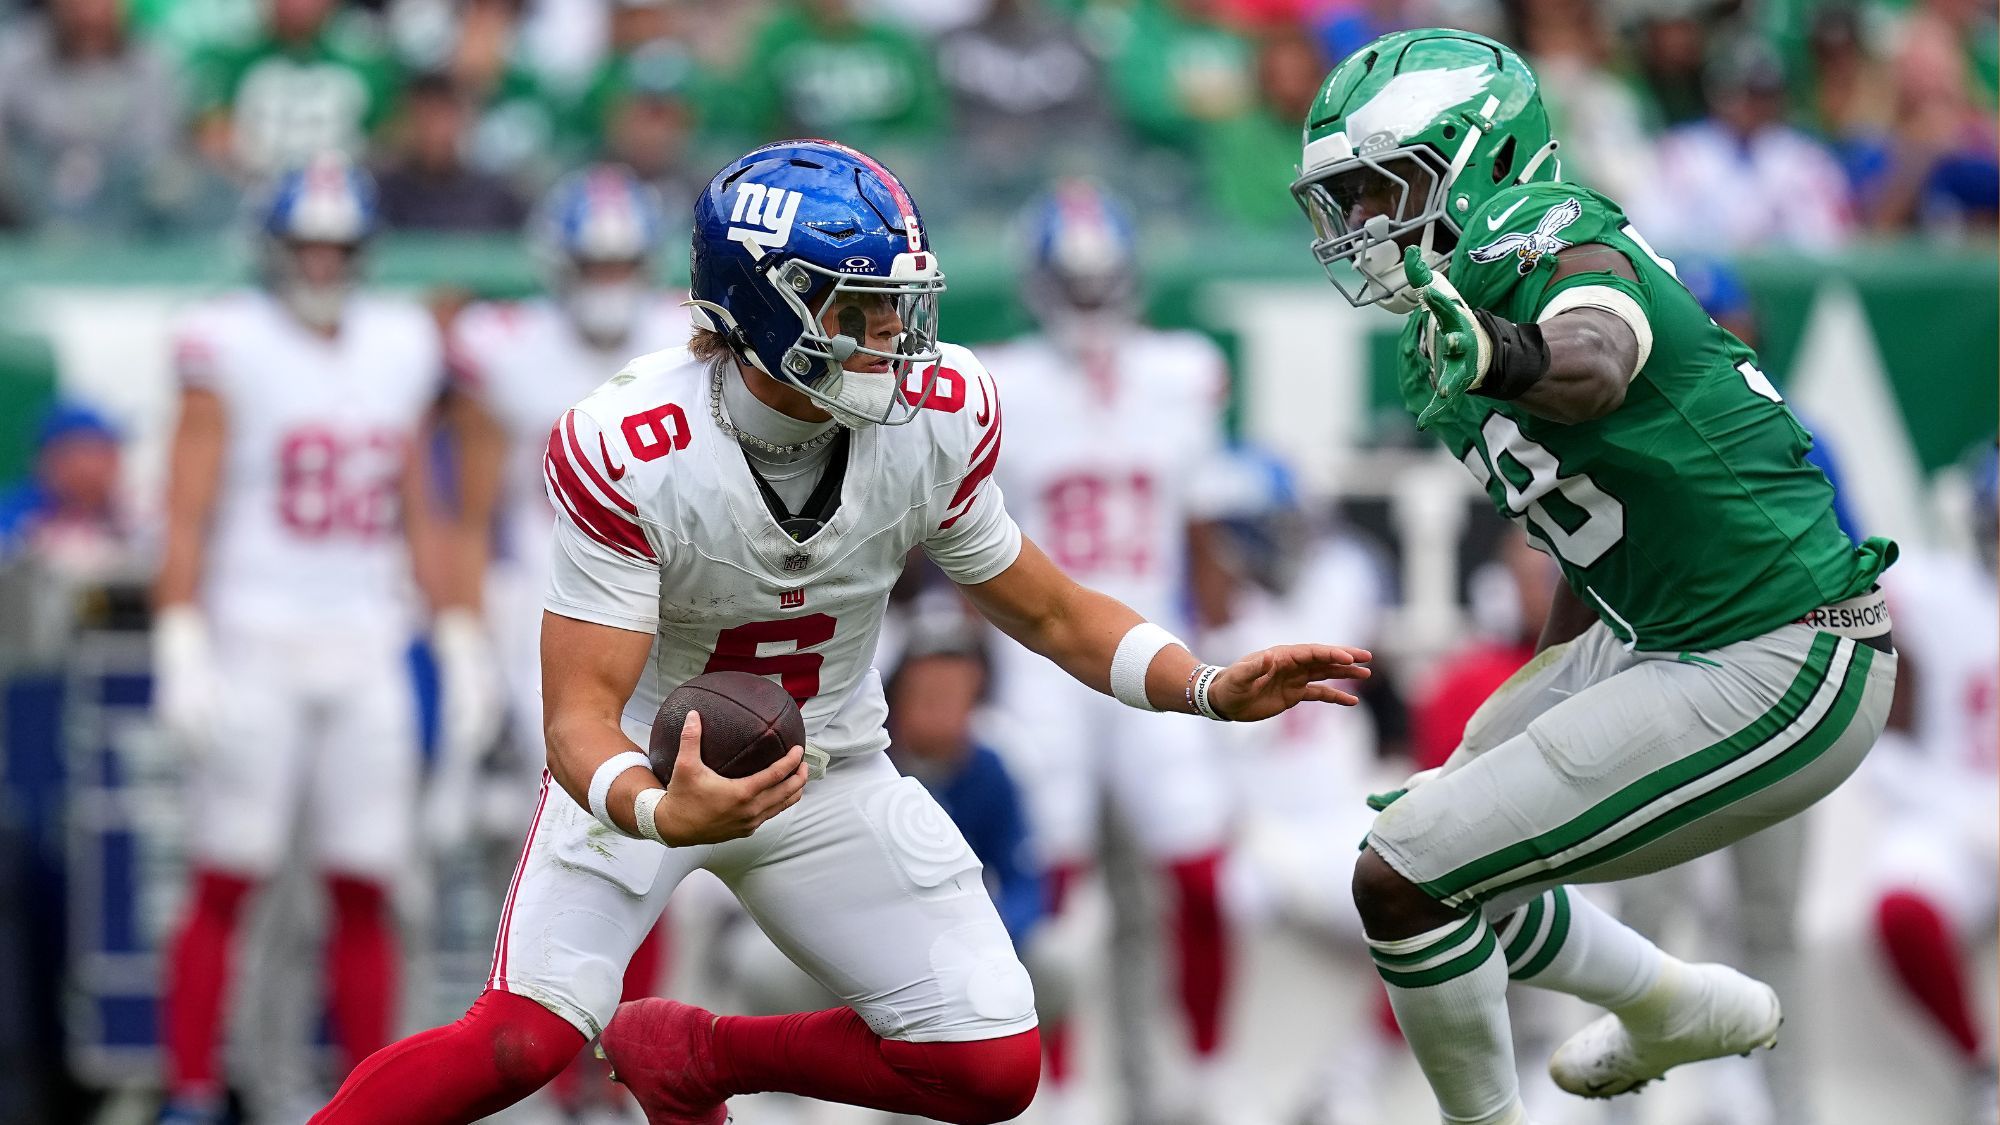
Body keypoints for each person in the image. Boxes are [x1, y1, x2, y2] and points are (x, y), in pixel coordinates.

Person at [311, 137, 1371, 1125]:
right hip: (645, 766)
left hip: (829, 764)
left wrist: (1203, 683)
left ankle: (702, 1053)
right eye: (858, 309)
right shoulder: (635, 446)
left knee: (990, 1065)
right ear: (763, 309)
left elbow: (1047, 607)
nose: (891, 339)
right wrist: (652, 804)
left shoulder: (935, 415)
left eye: (896, 307)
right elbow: (578, 716)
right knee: (518, 1045)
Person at [1291, 29, 1900, 1125]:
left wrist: (1499, 353)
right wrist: (1532, 708)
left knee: (1400, 876)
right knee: (1449, 827)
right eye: (1348, 198)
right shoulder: (1436, 335)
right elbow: (1589, 533)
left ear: (1475, 158)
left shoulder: (1544, 225)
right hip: (1668, 631)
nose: (1365, 224)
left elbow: (1594, 362)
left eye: (1386, 187)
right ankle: (1669, 1005)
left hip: (1782, 645)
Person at [150, 153, 496, 1124]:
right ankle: (189, 1091)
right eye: (306, 243)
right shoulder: (228, 338)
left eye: (338, 245)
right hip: (252, 630)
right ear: (273, 245)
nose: (321, 261)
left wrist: (458, 628)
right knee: (229, 871)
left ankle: (363, 1098)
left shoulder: (396, 344)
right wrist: (178, 629)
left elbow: (421, 508)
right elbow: (185, 502)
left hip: (365, 639)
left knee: (365, 879)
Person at [979, 180, 1240, 1124]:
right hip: (1043, 657)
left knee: (1206, 874)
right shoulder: (1004, 381)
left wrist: (1224, 644)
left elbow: (1201, 526)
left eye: (1102, 284)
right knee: (1043, 880)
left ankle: (1205, 1072)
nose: (1090, 305)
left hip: (1159, 642)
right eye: (1072, 285)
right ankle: (1057, 1083)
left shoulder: (1182, 371)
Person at [1867, 448, 1998, 1125]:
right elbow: (1840, 611)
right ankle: (1983, 1067)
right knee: (1902, 904)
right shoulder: (1933, 590)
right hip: (1954, 807)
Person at [0, 0, 182, 233]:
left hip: (123, 221)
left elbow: (152, 153)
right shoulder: (14, 55)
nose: (88, 11)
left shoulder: (150, 62)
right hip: (25, 214)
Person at [373, 71, 530, 233]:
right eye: (425, 116)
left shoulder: (497, 200)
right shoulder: (381, 196)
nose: (434, 131)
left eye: (443, 117)